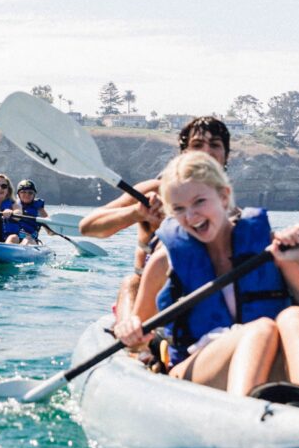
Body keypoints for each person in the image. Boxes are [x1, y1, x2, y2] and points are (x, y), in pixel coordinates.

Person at [113, 152, 299, 402]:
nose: (191, 217)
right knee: (261, 330)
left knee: (295, 316)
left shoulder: (269, 249)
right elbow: (137, 344)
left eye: (199, 201)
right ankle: (242, 419)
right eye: (179, 209)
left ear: (224, 197)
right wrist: (132, 332)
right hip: (196, 370)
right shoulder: (164, 261)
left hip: (269, 364)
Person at [80, 116, 233, 317]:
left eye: (214, 145)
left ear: (226, 155)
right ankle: (134, 341)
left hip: (202, 296)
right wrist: (136, 212)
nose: (206, 152)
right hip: (148, 294)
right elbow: (88, 226)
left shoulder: (228, 207)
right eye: (197, 145)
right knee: (131, 283)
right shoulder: (154, 190)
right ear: (184, 152)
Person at [5, 179, 49, 244]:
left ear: (34, 195)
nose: (27, 194)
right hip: (15, 238)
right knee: (12, 237)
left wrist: (54, 229)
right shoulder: (13, 205)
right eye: (23, 192)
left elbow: (50, 231)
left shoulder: (39, 209)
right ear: (18, 194)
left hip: (31, 240)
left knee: (27, 239)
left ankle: (20, 252)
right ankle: (6, 251)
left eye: (30, 192)